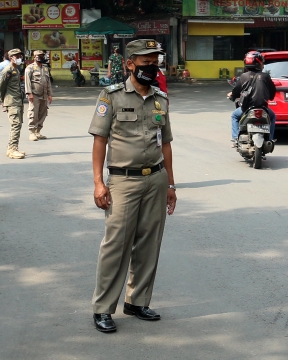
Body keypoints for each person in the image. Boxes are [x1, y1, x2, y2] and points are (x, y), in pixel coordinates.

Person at [89, 39, 177, 333]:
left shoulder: (160, 99)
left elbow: (165, 144)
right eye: (145, 63)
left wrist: (171, 185)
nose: (151, 68)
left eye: (155, 62)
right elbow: (99, 141)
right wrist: (99, 183)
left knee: (149, 243)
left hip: (156, 178)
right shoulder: (111, 97)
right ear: (129, 64)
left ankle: (137, 301)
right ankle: (103, 308)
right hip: (123, 181)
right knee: (116, 245)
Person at [228, 51, 276, 146]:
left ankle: (235, 138)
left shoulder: (243, 76)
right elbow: (272, 92)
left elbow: (236, 91)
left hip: (246, 109)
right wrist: (270, 97)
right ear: (259, 63)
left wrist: (232, 96)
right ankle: (270, 139)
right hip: (263, 108)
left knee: (234, 116)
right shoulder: (266, 76)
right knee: (273, 116)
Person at [0, 49, 26, 159]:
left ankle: (12, 148)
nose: (19, 58)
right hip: (11, 102)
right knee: (15, 125)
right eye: (17, 56)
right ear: (11, 58)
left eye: (20, 56)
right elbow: (1, 86)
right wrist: (2, 101)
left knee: (18, 125)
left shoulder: (16, 69)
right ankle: (12, 149)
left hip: (18, 101)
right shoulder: (8, 70)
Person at [25, 50, 53, 141]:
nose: (41, 57)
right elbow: (27, 82)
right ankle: (32, 132)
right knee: (33, 113)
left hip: (44, 94)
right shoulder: (30, 68)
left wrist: (50, 94)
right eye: (39, 55)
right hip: (35, 94)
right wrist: (29, 93)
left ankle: (38, 131)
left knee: (43, 113)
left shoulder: (45, 68)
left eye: (42, 55)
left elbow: (48, 82)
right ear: (35, 57)